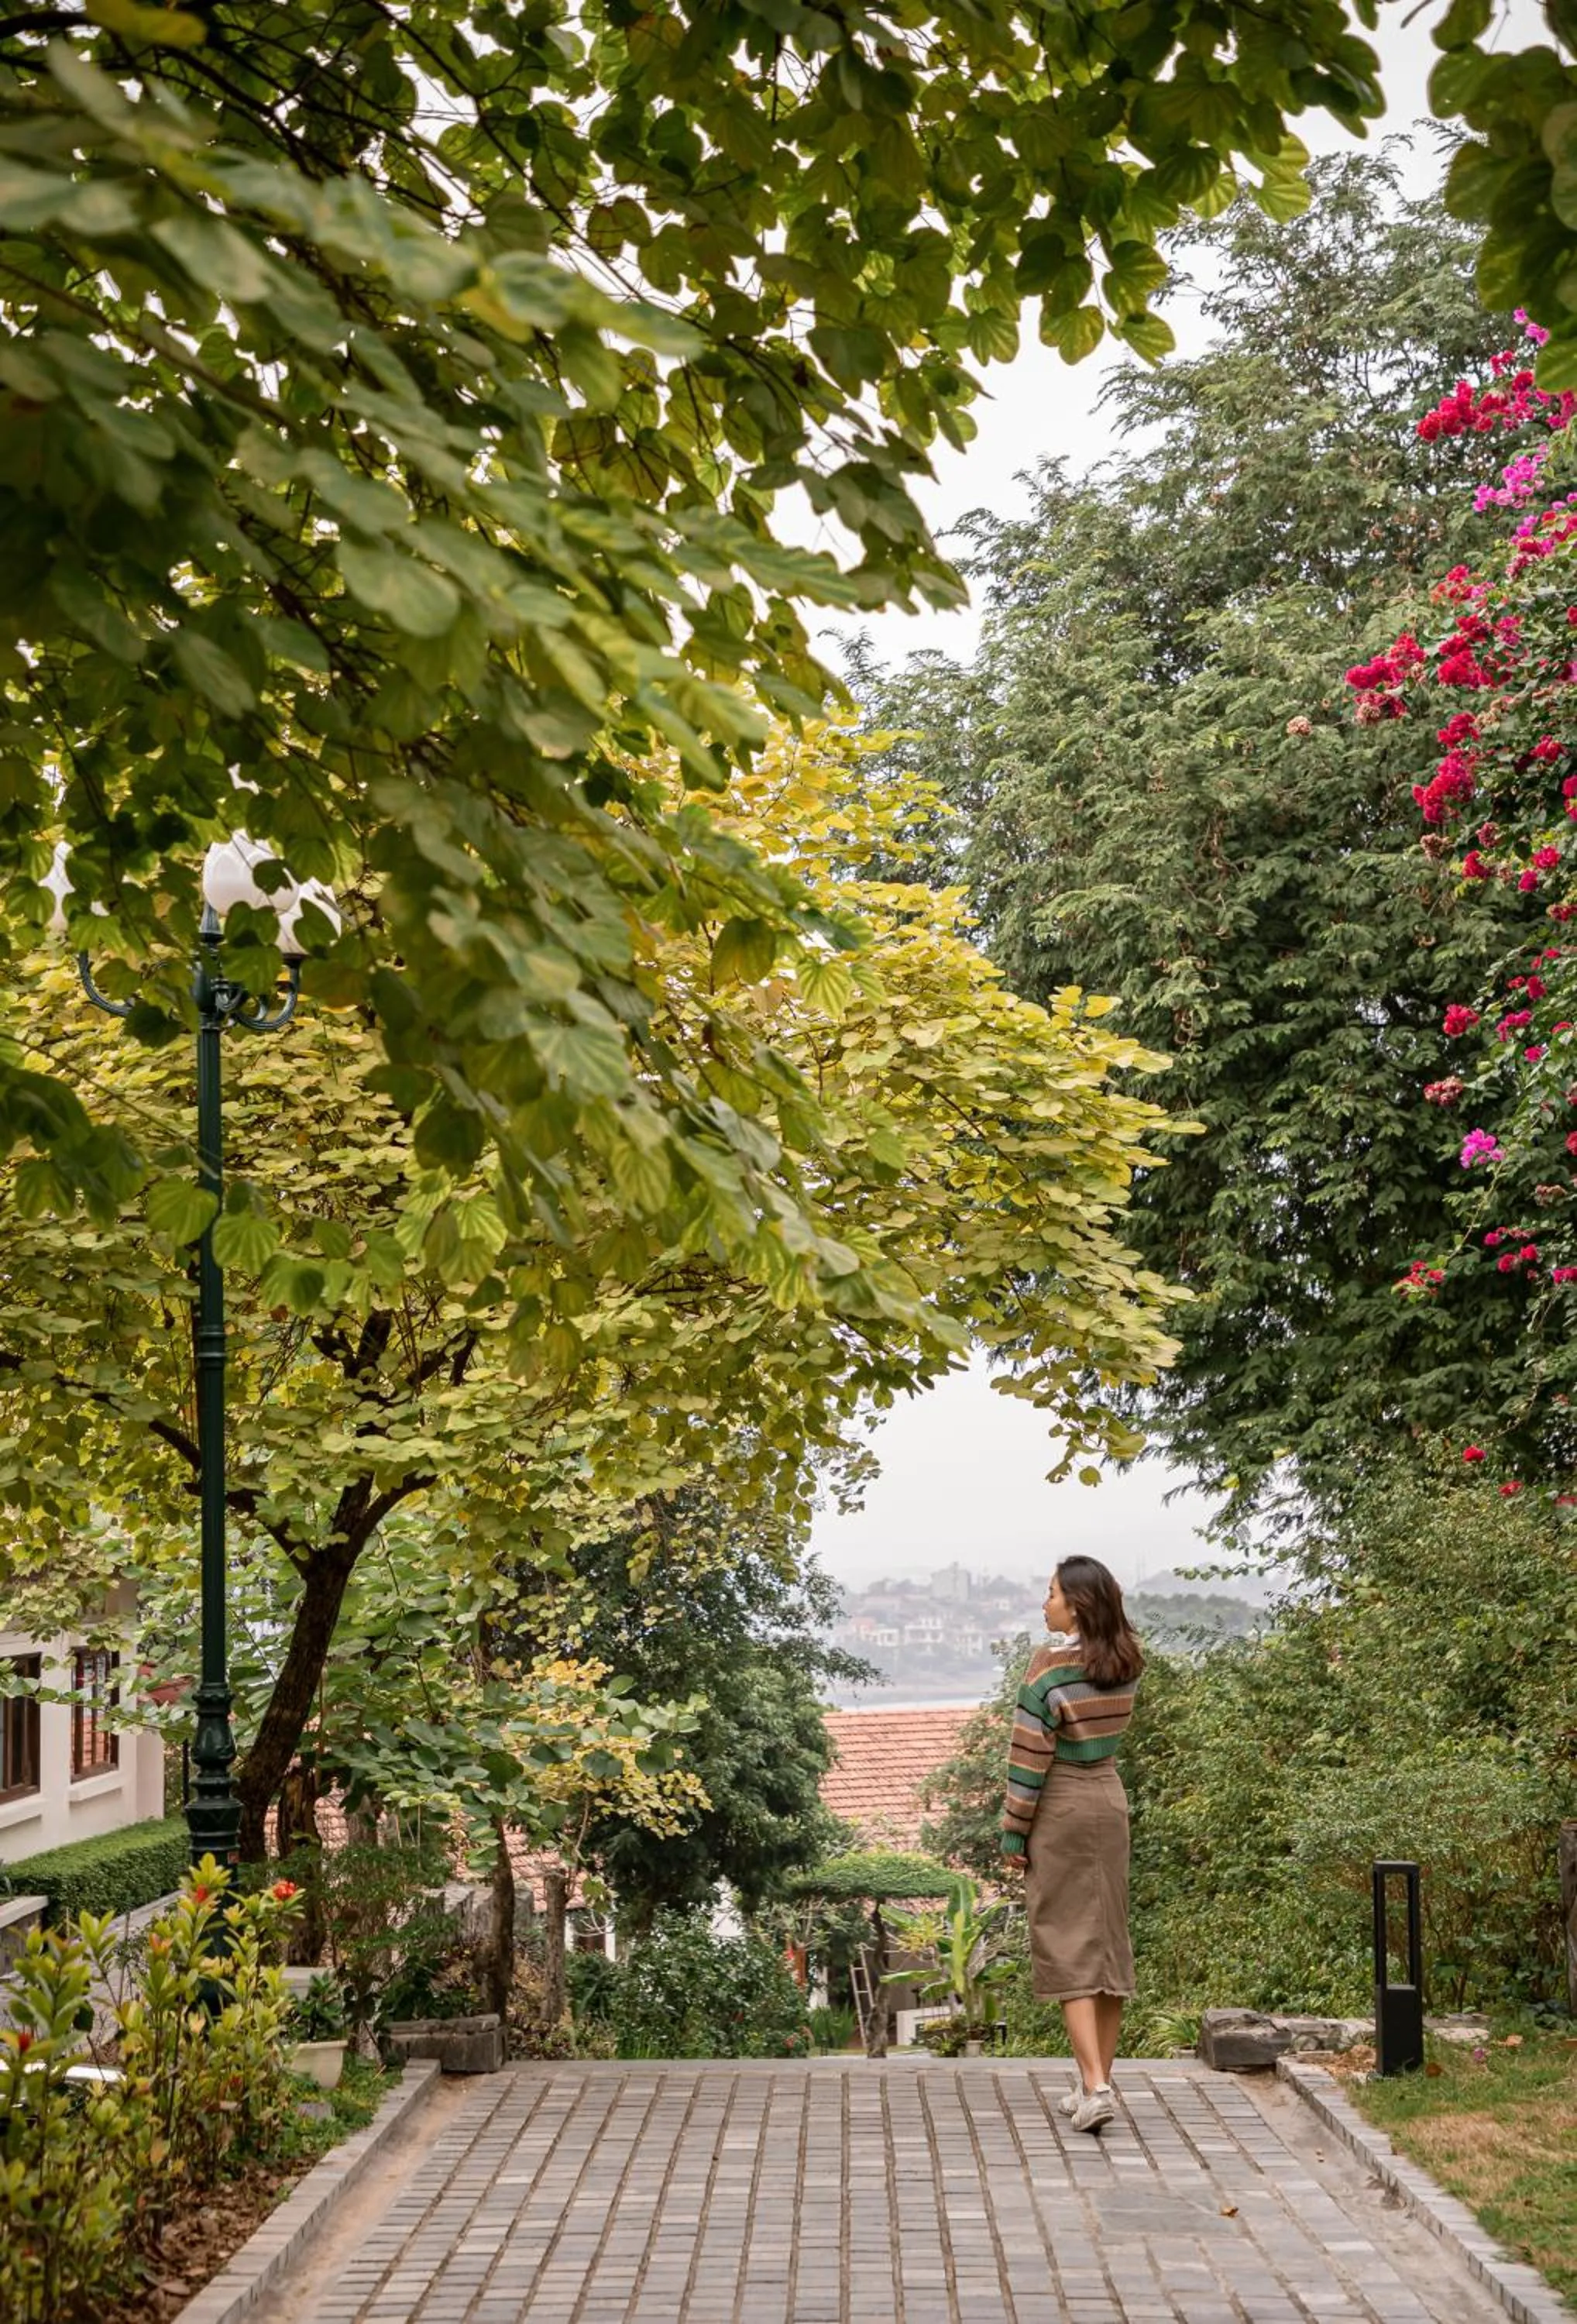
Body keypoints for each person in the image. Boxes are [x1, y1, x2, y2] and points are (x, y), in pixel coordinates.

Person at [999, 1556, 1143, 2133]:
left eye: (1052, 1592)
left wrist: (1015, 1829)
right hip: (1109, 1798)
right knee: (1107, 1941)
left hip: (1060, 1804)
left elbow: (1029, 1759)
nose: (1045, 1602)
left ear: (1077, 1604)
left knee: (1066, 1942)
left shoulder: (1047, 1671)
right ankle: (1093, 2083)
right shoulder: (1127, 1662)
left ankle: (1098, 2085)